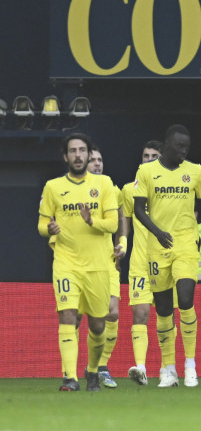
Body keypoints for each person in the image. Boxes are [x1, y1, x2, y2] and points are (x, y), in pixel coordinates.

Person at [133, 125, 201, 388]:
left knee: (186, 299)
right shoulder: (146, 171)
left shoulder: (195, 171)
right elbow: (138, 209)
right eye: (180, 146)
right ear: (167, 144)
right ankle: (168, 369)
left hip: (186, 245)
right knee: (164, 309)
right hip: (157, 248)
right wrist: (157, 232)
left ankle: (190, 365)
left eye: (187, 147)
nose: (184, 151)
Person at [38, 133, 119, 391]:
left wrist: (91, 221)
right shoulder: (52, 187)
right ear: (65, 156)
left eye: (82, 150)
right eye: (72, 151)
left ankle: (93, 370)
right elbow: (41, 224)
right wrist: (48, 229)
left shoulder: (104, 184)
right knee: (68, 316)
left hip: (97, 265)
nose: (78, 155)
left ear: (88, 154)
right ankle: (69, 378)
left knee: (97, 325)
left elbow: (114, 224)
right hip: (66, 263)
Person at [120, 141, 164, 385]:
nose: (148, 159)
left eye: (154, 156)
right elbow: (124, 218)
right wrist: (124, 243)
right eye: (145, 155)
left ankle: (169, 369)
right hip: (139, 261)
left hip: (166, 260)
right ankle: (141, 368)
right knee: (141, 312)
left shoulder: (169, 188)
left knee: (166, 315)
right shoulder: (129, 190)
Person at [86, 147, 127, 388]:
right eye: (92, 160)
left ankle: (101, 366)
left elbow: (121, 219)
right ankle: (73, 372)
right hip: (80, 262)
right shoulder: (72, 191)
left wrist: (121, 243)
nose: (97, 164)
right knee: (85, 318)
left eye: (100, 159)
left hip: (108, 261)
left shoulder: (113, 190)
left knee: (112, 312)